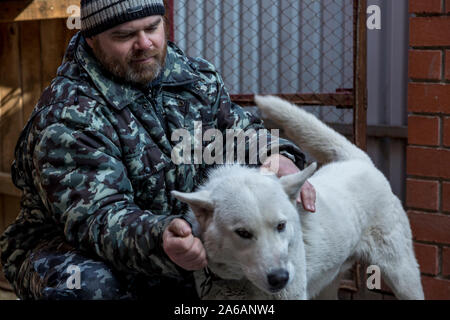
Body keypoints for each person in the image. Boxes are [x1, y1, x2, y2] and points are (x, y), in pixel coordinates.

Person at [0, 0, 315, 300]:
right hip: (77, 249)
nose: (144, 44)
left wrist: (275, 154)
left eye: (152, 28)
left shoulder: (195, 79)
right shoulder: (69, 114)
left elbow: (236, 132)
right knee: (92, 287)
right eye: (124, 35)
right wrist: (160, 237)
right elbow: (99, 219)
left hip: (183, 239)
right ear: (92, 39)